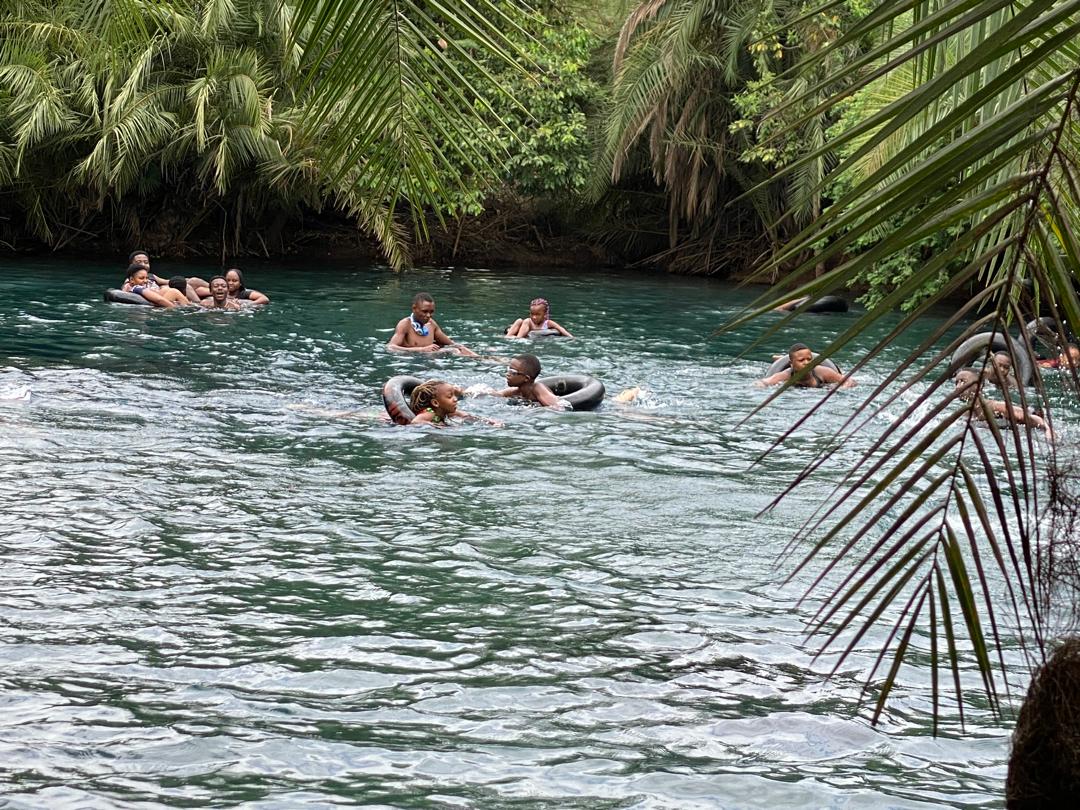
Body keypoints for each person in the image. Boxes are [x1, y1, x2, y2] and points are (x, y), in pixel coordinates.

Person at [953, 369, 1052, 440]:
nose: (958, 387)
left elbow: (1034, 418)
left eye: (963, 382)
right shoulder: (966, 413)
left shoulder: (995, 407)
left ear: (979, 386)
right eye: (956, 382)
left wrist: (1049, 431)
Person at [388, 292, 478, 356]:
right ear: (414, 308)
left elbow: (450, 343)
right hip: (411, 365)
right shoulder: (405, 324)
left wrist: (465, 349)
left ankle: (481, 359)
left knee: (456, 349)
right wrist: (421, 349)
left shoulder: (432, 324)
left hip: (429, 364)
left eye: (431, 312)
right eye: (425, 311)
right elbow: (391, 347)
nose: (428, 315)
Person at [757, 342, 854, 388]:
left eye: (809, 359)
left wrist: (842, 388)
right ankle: (780, 358)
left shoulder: (823, 372)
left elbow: (849, 380)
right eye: (801, 360)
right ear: (791, 364)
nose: (806, 363)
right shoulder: (784, 376)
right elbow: (762, 382)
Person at [409, 380, 488, 425]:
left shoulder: (447, 411)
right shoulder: (430, 413)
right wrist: (437, 426)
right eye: (450, 396)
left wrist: (490, 422)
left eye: (454, 395)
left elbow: (467, 416)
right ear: (435, 403)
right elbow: (416, 421)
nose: (455, 399)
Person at [122, 264, 190, 308]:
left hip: (159, 307)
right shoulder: (137, 288)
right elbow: (159, 300)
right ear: (131, 280)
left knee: (166, 289)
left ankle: (189, 306)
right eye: (141, 278)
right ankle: (189, 308)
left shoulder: (139, 287)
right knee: (173, 291)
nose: (145, 281)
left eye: (146, 278)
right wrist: (174, 308)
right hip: (160, 310)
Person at [505, 298, 572, 338]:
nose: (534, 317)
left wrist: (571, 337)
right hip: (521, 335)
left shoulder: (548, 323)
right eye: (532, 314)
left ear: (545, 315)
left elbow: (560, 328)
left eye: (537, 314)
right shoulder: (529, 321)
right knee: (520, 320)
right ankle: (512, 336)